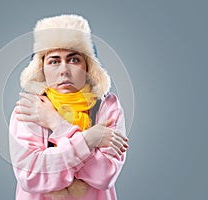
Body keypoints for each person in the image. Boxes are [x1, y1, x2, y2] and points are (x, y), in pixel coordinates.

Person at [9, 14, 129, 200]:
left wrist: (57, 125)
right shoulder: (29, 109)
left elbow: (105, 175)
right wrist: (89, 139)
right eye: (54, 61)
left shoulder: (107, 107)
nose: (64, 70)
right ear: (42, 68)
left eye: (73, 60)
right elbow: (32, 177)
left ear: (88, 66)